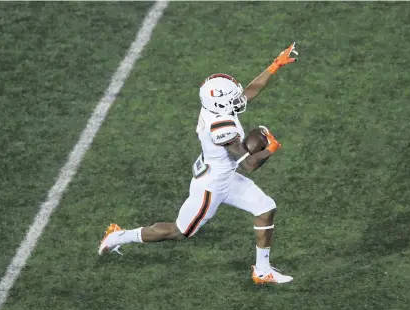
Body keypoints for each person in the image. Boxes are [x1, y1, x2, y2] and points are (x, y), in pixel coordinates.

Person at [98, 42, 299, 284]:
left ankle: (262, 270)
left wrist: (275, 65)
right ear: (220, 102)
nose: (238, 98)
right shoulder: (220, 126)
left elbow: (248, 93)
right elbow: (248, 164)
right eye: (232, 96)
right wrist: (271, 149)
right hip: (212, 187)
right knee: (178, 232)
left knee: (265, 208)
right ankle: (118, 237)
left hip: (223, 174)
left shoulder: (216, 110)